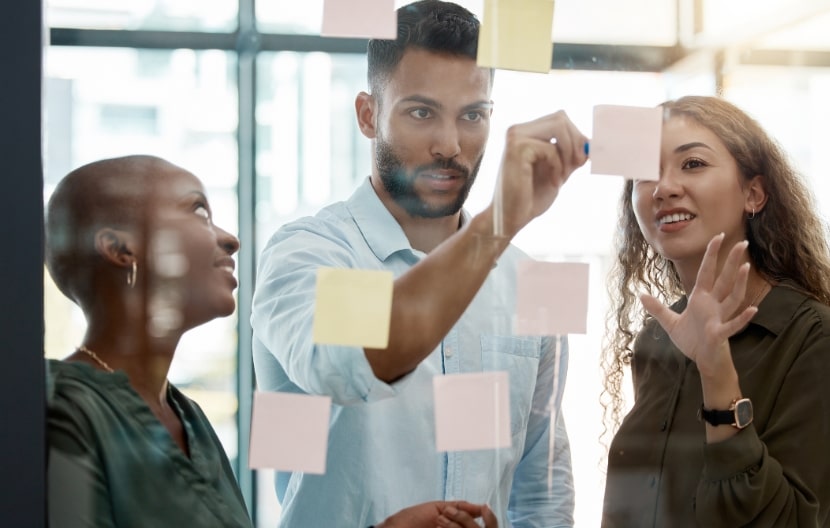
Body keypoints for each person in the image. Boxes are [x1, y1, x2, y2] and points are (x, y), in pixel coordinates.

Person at [250, 0, 589, 526]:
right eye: (421, 112)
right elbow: (353, 363)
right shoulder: (311, 255)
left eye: (472, 116)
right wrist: (497, 225)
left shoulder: (528, 280)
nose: (449, 146)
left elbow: (542, 489)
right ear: (368, 115)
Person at [44, 154, 498, 528]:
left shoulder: (188, 417)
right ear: (122, 249)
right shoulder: (61, 408)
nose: (230, 239)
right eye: (198, 211)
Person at [600, 95, 830, 527]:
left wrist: (716, 370)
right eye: (645, 173)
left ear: (754, 194)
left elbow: (794, 520)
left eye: (692, 164)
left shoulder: (813, 337)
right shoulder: (656, 337)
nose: (663, 187)